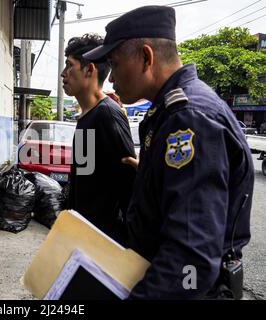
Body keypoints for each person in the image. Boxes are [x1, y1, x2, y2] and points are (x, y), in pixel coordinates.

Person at [84, 6, 254, 299]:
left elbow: (190, 259)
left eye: (114, 63)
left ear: (146, 58)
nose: (110, 79)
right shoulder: (170, 111)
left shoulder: (188, 119)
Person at [62, 34, 136, 243]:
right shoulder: (86, 116)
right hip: (81, 235)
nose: (63, 73)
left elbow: (128, 184)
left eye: (69, 66)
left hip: (104, 241)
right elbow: (85, 179)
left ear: (89, 70)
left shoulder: (108, 115)